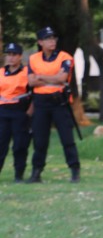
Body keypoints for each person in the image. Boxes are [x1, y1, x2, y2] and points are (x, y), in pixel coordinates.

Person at [27, 26, 80, 183]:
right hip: (40, 102)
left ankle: (74, 171)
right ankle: (36, 173)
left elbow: (62, 78)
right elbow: (31, 82)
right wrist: (52, 77)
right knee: (39, 140)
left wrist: (41, 76)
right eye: (48, 39)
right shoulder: (33, 58)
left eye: (53, 38)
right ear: (40, 42)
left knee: (67, 139)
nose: (52, 41)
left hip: (59, 102)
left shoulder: (64, 57)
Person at [0, 42, 32, 182]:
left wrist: (29, 112)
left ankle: (19, 175)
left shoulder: (27, 73)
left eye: (14, 55)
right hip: (2, 112)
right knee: (1, 144)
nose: (11, 57)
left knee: (20, 145)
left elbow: (34, 93)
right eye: (9, 54)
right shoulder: (1, 72)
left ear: (20, 56)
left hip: (20, 112)